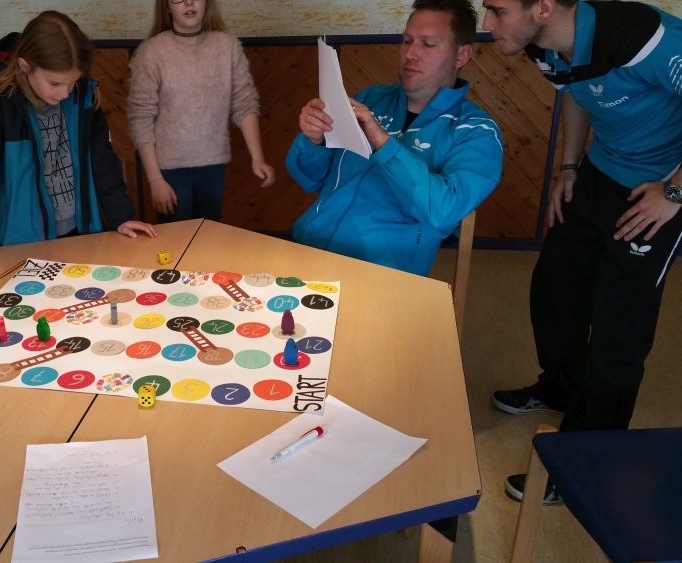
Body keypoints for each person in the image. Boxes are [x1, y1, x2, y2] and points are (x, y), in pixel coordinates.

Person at [482, 0, 682, 504]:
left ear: (543, 7)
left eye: (497, 10)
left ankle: (585, 466)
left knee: (619, 327)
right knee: (556, 286)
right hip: (599, 171)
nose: (487, 24)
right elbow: (574, 92)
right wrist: (568, 168)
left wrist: (675, 191)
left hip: (661, 188)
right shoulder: (543, 44)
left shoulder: (645, 37)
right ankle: (559, 388)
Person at [0, 11, 157, 274]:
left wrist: (121, 217)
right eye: (55, 83)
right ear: (25, 65)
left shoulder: (82, 96)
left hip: (82, 234)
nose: (64, 92)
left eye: (72, 82)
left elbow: (103, 163)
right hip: (22, 243)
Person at [287, 0, 502, 276]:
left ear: (461, 56)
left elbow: (443, 211)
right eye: (407, 41)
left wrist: (383, 143)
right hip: (308, 248)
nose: (410, 54)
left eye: (428, 44)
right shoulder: (370, 98)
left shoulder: (476, 131)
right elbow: (310, 179)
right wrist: (313, 139)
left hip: (382, 273)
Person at [128, 0, 276, 223]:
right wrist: (155, 180)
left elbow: (245, 103)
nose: (188, 2)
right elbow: (141, 119)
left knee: (208, 237)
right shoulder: (151, 52)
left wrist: (258, 158)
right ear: (166, 6)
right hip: (169, 171)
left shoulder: (227, 46)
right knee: (178, 240)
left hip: (213, 168)